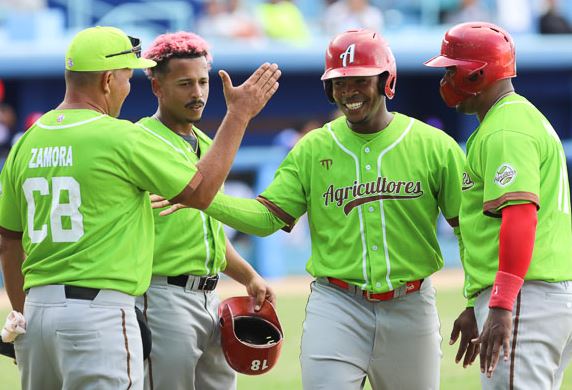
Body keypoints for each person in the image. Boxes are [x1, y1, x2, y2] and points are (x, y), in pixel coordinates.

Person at [154, 29, 466, 389]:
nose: (348, 91)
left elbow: (469, 229)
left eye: (360, 80)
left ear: (386, 82)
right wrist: (205, 198)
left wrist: (478, 300)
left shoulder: (434, 146)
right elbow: (266, 217)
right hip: (337, 305)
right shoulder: (313, 147)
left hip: (411, 304)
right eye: (339, 82)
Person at [0, 26, 280, 390]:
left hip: (38, 312)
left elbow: (8, 240)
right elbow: (200, 192)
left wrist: (22, 313)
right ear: (106, 80)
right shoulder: (123, 136)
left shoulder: (27, 142)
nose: (127, 86)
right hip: (101, 312)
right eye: (126, 77)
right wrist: (240, 114)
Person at [425, 21, 572, 388]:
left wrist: (502, 304)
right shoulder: (511, 119)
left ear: (477, 74)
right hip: (536, 293)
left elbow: (520, 217)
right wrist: (479, 301)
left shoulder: (506, 128)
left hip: (527, 296)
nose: (445, 79)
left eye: (451, 69)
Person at [135, 31, 276, 390]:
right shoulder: (141, 140)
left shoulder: (209, 145)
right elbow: (195, 194)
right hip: (162, 296)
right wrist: (239, 115)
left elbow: (207, 229)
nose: (197, 93)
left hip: (211, 299)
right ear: (157, 87)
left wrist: (248, 275)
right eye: (184, 84)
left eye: (201, 81)